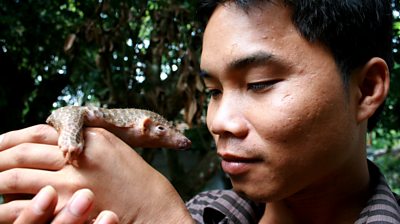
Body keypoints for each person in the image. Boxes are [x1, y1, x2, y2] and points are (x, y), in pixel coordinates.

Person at [0, 0, 399, 223]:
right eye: (212, 91)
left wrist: (158, 216)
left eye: (259, 83)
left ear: (366, 89)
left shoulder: (166, 214)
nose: (218, 122)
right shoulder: (203, 215)